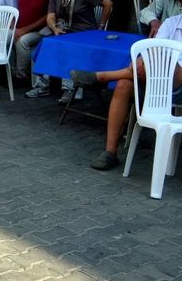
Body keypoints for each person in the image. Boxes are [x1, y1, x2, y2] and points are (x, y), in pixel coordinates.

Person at [70, 14, 182, 170]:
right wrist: (142, 61)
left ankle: (102, 76)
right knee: (123, 85)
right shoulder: (172, 22)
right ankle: (110, 152)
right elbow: (154, 49)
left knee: (172, 63)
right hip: (155, 81)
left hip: (178, 84)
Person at [24, 0, 112, 102]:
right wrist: (54, 28)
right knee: (46, 43)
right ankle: (42, 85)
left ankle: (69, 89)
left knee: (69, 48)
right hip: (63, 31)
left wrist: (101, 25)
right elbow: (50, 16)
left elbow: (108, 3)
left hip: (84, 33)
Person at [11, 0, 54, 84]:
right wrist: (13, 23)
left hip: (42, 30)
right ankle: (9, 73)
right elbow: (20, 5)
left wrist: (24, 30)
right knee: (1, 37)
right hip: (20, 26)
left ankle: (21, 76)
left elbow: (49, 15)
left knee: (22, 41)